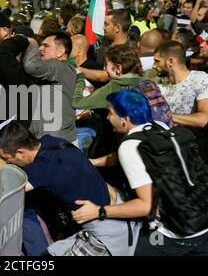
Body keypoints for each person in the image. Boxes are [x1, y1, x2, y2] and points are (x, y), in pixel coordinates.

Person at [72, 89, 208, 256]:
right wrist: (94, 162)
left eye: (110, 113)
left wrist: (99, 211)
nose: (107, 118)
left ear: (125, 119)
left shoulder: (128, 147)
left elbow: (146, 206)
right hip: (201, 216)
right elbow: (126, 156)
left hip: (173, 233)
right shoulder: (159, 127)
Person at [0, 121, 141, 256]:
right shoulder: (51, 141)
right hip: (118, 207)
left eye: (8, 158)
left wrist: (0, 160)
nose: (8, 162)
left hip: (107, 234)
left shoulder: (43, 168)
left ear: (20, 152)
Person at [22, 32, 77, 144]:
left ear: (60, 51)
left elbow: (32, 66)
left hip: (58, 145)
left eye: (46, 46)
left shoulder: (60, 67)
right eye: (40, 45)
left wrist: (32, 43)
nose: (40, 49)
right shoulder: (56, 69)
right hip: (48, 141)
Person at [153, 40, 208, 128]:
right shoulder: (157, 84)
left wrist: (165, 116)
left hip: (190, 140)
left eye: (157, 61)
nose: (154, 66)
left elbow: (204, 119)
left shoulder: (200, 80)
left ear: (170, 62)